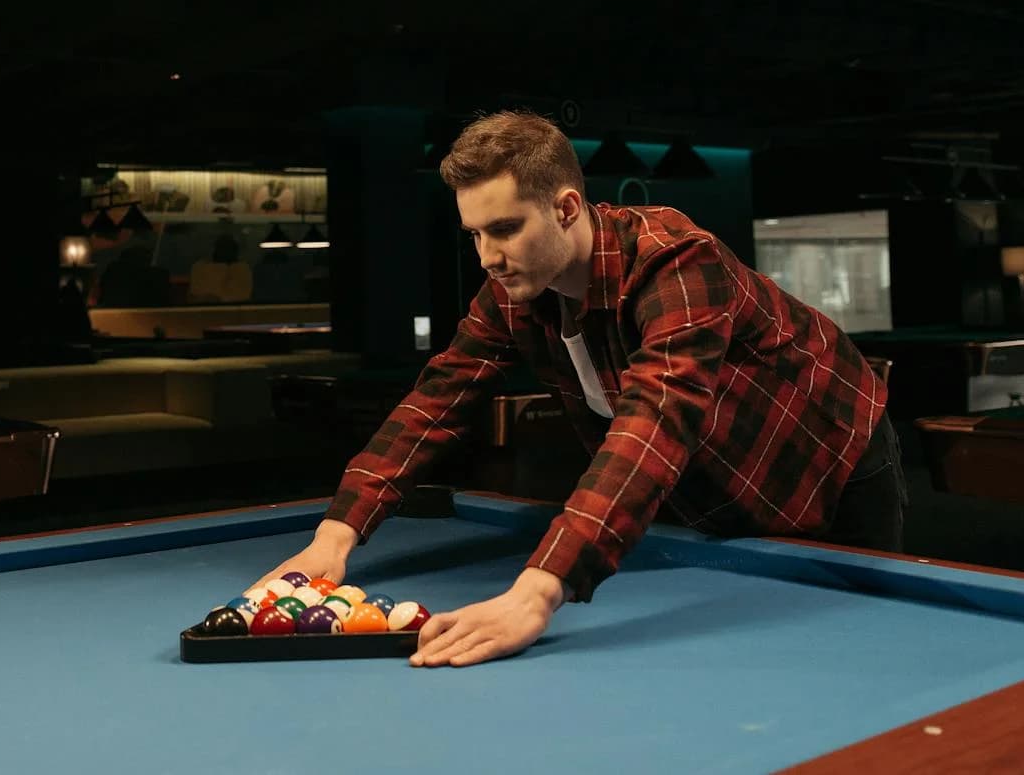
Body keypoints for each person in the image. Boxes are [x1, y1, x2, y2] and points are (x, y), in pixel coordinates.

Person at [256, 110, 900, 668]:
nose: (487, 256)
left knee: (861, 654)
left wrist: (535, 594)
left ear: (565, 208)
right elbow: (435, 403)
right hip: (715, 486)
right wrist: (334, 537)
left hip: (832, 461)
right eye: (475, 234)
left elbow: (655, 420)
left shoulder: (676, 261)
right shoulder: (511, 294)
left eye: (505, 229)